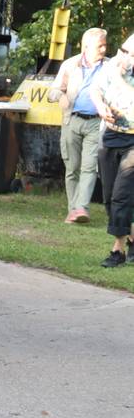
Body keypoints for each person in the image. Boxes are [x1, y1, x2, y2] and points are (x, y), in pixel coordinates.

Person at [50, 28, 107, 224]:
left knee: (89, 167)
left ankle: (82, 208)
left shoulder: (110, 67)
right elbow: (53, 91)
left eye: (105, 45)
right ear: (86, 47)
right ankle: (72, 210)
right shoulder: (70, 65)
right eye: (100, 46)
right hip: (72, 120)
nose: (104, 49)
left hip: (96, 122)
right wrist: (61, 96)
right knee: (72, 168)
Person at [92, 35, 134, 268]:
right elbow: (96, 90)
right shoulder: (111, 67)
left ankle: (117, 251)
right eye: (124, 50)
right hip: (111, 135)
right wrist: (101, 107)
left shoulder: (120, 73)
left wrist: (119, 79)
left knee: (121, 194)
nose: (125, 56)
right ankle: (132, 239)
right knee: (109, 195)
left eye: (131, 54)